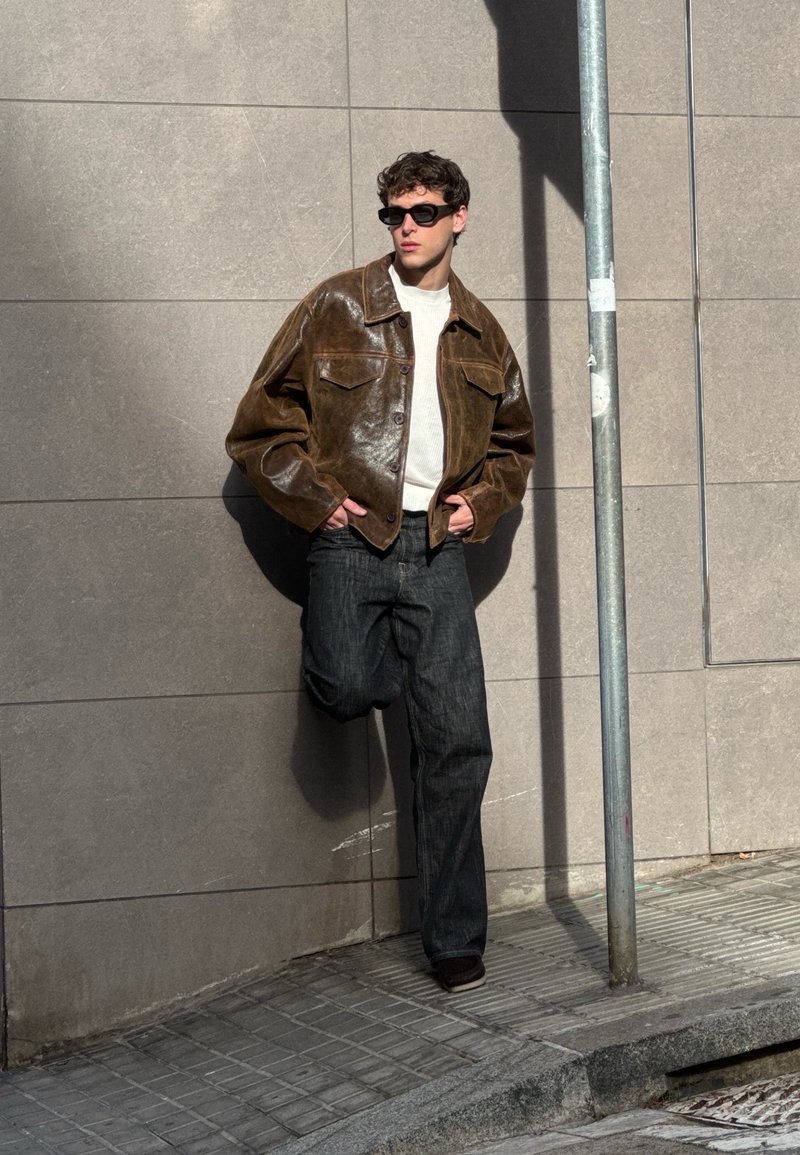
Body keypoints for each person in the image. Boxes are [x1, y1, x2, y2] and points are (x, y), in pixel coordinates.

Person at [226, 151, 534, 993]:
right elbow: (259, 428)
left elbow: (515, 445)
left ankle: (454, 938)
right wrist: (322, 503)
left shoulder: (481, 331)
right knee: (343, 684)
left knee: (457, 741)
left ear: (459, 218)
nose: (406, 226)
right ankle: (395, 659)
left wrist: (483, 503)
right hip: (350, 537)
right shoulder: (336, 306)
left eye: (423, 212)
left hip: (436, 549)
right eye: (393, 213)